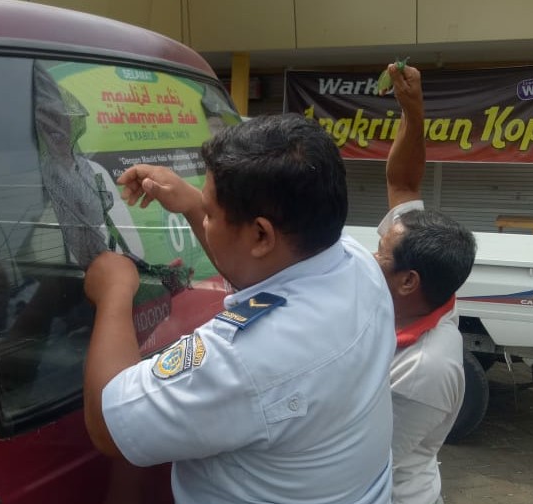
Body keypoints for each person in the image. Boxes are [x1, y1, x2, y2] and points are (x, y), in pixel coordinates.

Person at [82, 113, 397, 504]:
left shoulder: (243, 357)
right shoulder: (353, 263)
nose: (204, 212)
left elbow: (107, 426)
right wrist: (194, 206)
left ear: (261, 234)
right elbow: (260, 272)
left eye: (212, 212)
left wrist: (114, 291)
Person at [376, 63, 477, 504]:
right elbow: (402, 181)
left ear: (407, 282)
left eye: (380, 254)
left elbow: (371, 457)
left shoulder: (424, 369)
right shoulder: (430, 294)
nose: (371, 259)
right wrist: (412, 111)